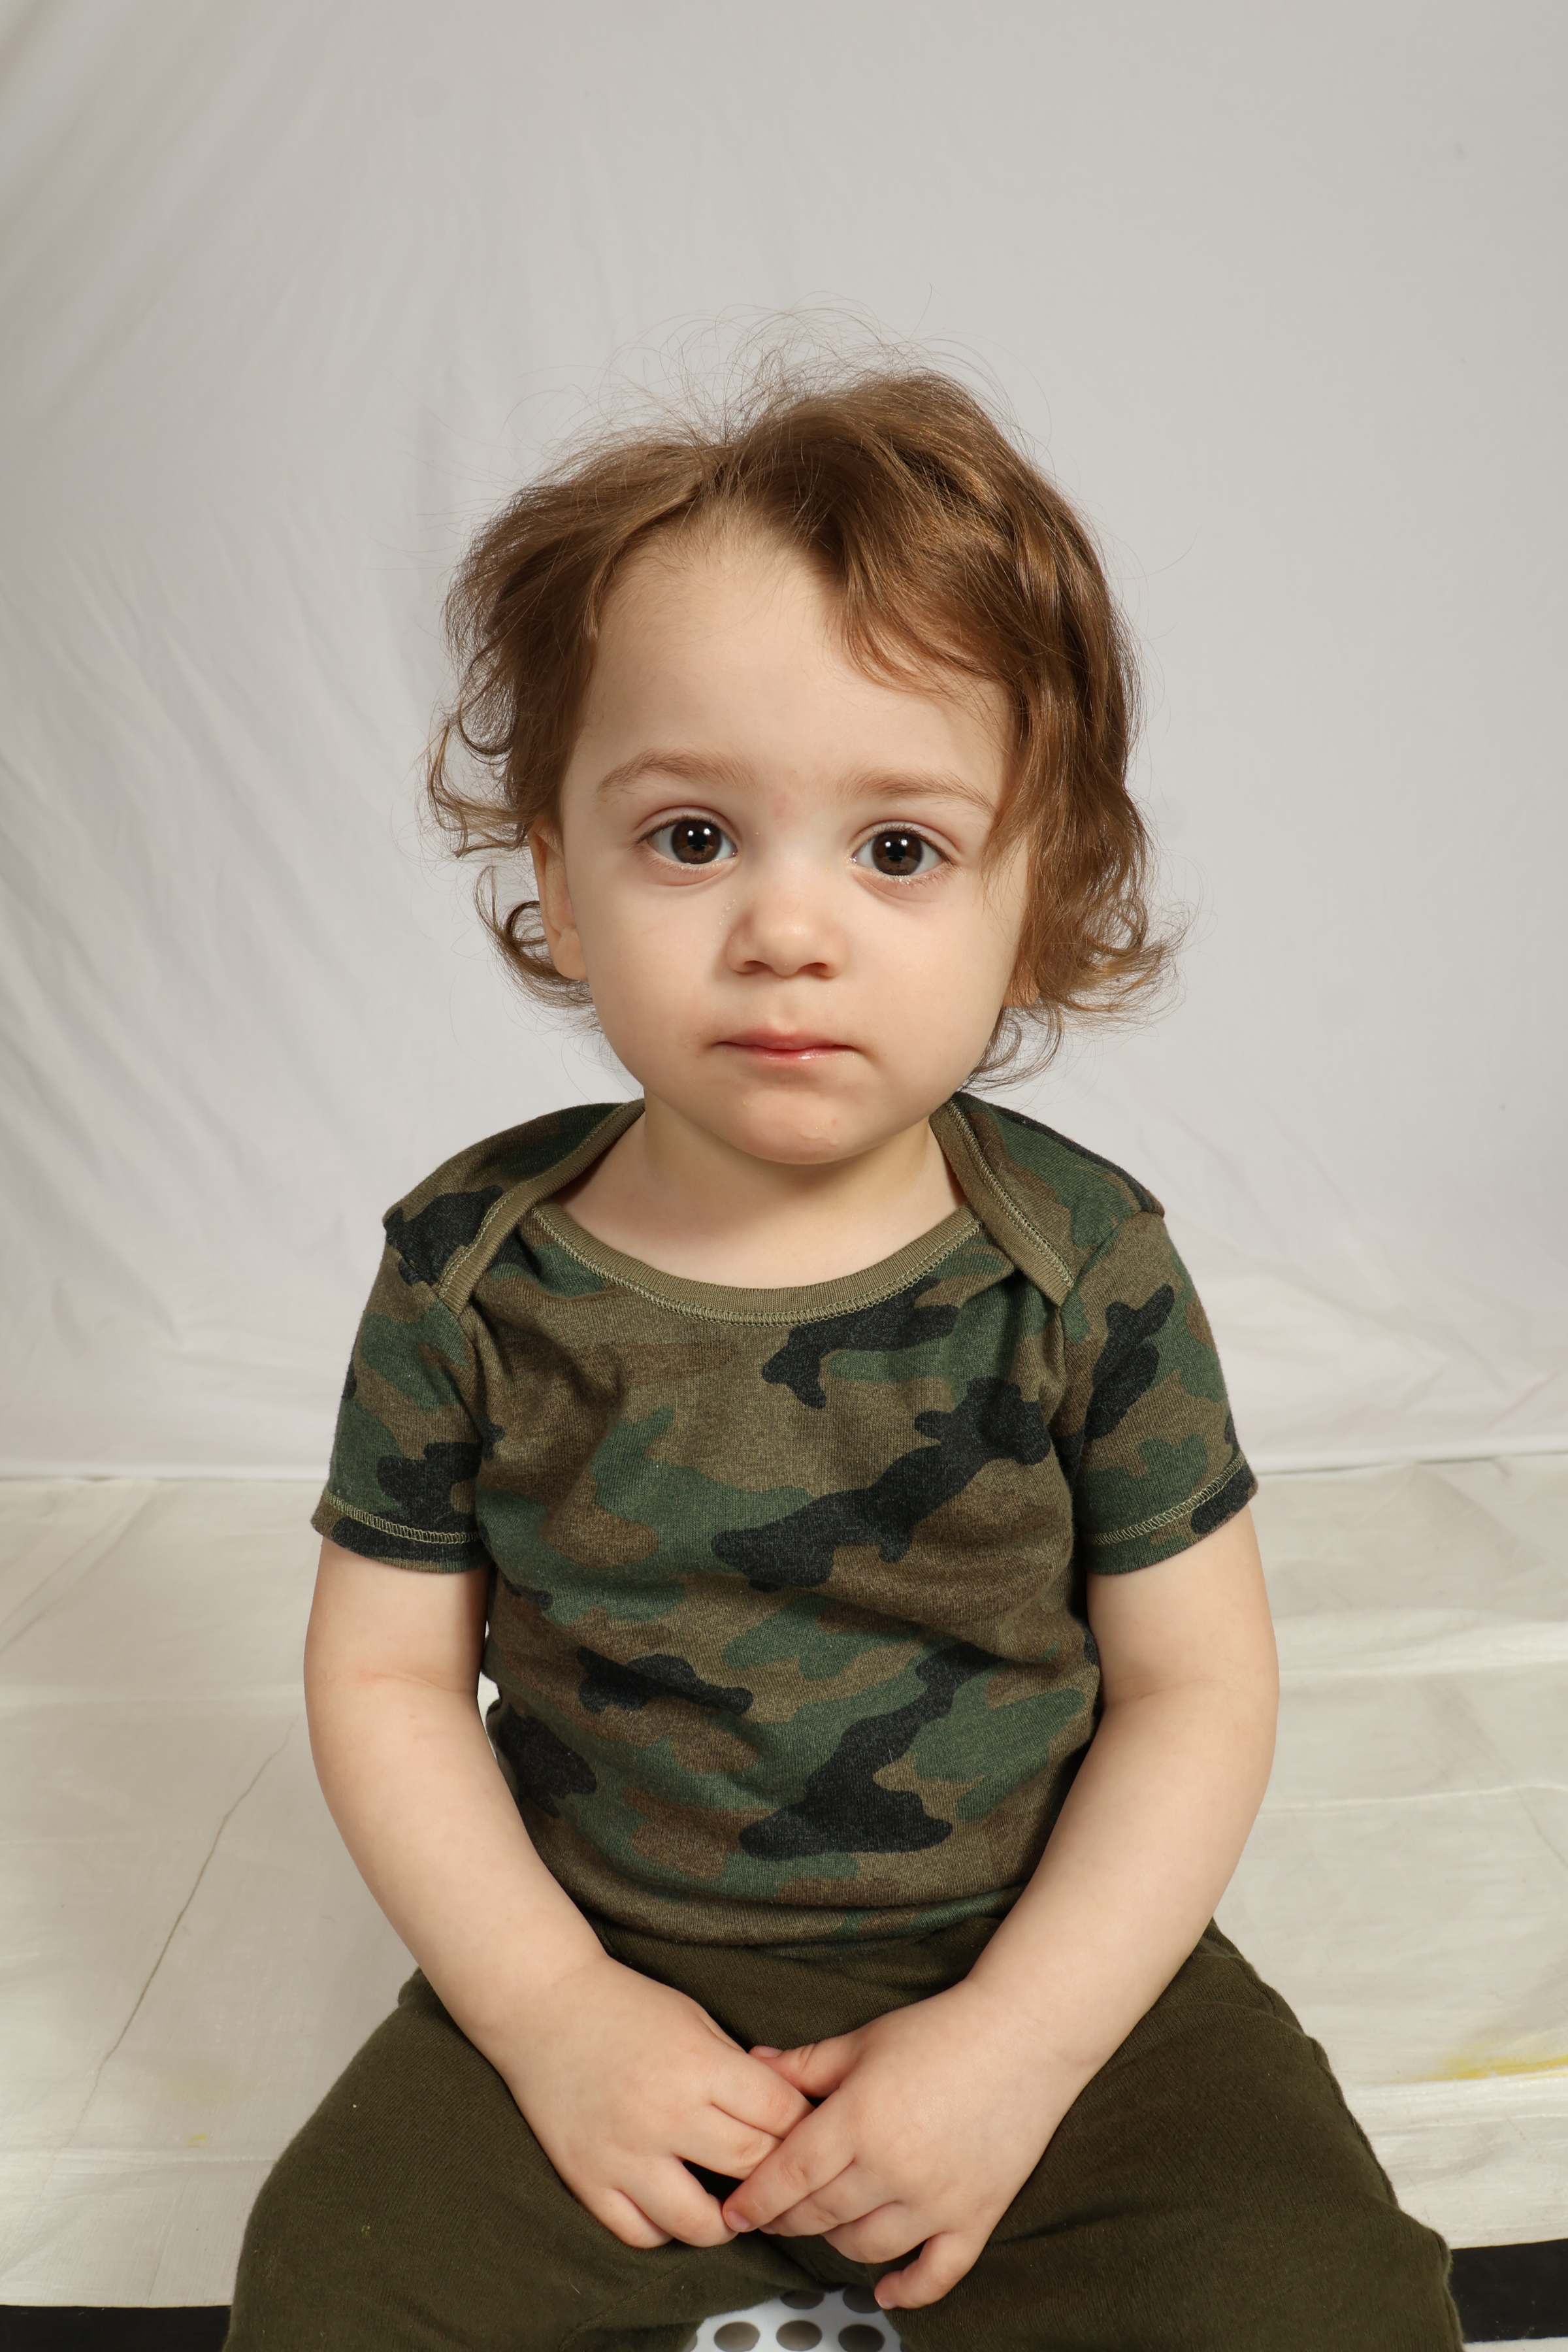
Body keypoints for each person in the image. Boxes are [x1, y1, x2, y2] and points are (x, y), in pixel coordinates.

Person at [225, 362, 1462, 2350]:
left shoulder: (1082, 1269)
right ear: (556, 872)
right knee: (333, 2287)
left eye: (897, 849)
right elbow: (385, 1674)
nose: (787, 928)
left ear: (1036, 896)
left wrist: (1020, 2048)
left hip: (1037, 1962)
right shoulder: (470, 1273)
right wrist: (551, 2015)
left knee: (1316, 2303)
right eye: (693, 834)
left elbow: (1199, 1689)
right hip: (608, 1962)